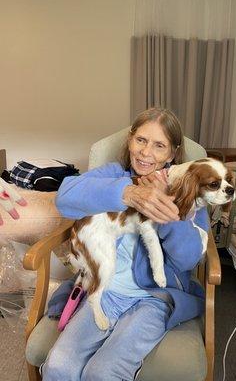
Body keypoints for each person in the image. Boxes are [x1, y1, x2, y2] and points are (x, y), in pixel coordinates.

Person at [41, 107, 209, 381]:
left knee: (103, 373)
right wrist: (129, 193)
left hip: (152, 299)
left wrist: (165, 209)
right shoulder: (114, 174)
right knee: (58, 366)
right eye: (141, 140)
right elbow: (65, 197)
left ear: (172, 153)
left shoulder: (189, 191)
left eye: (159, 146)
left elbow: (187, 259)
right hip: (106, 292)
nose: (146, 153)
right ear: (130, 140)